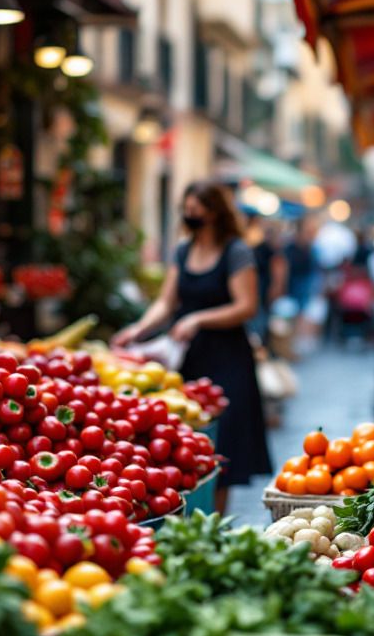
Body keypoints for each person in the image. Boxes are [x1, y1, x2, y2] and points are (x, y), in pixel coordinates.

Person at [113, 183, 271, 512]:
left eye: (196, 210)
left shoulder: (236, 251)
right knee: (191, 444)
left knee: (224, 447)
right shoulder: (184, 251)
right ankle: (194, 515)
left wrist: (199, 319)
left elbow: (246, 306)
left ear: (215, 213)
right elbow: (166, 302)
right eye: (186, 209)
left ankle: (215, 521)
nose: (190, 216)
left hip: (229, 360)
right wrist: (139, 329)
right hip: (190, 359)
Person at [245, 213, 287, 342]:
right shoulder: (269, 251)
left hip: (261, 293)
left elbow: (278, 279)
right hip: (259, 293)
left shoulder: (271, 252)